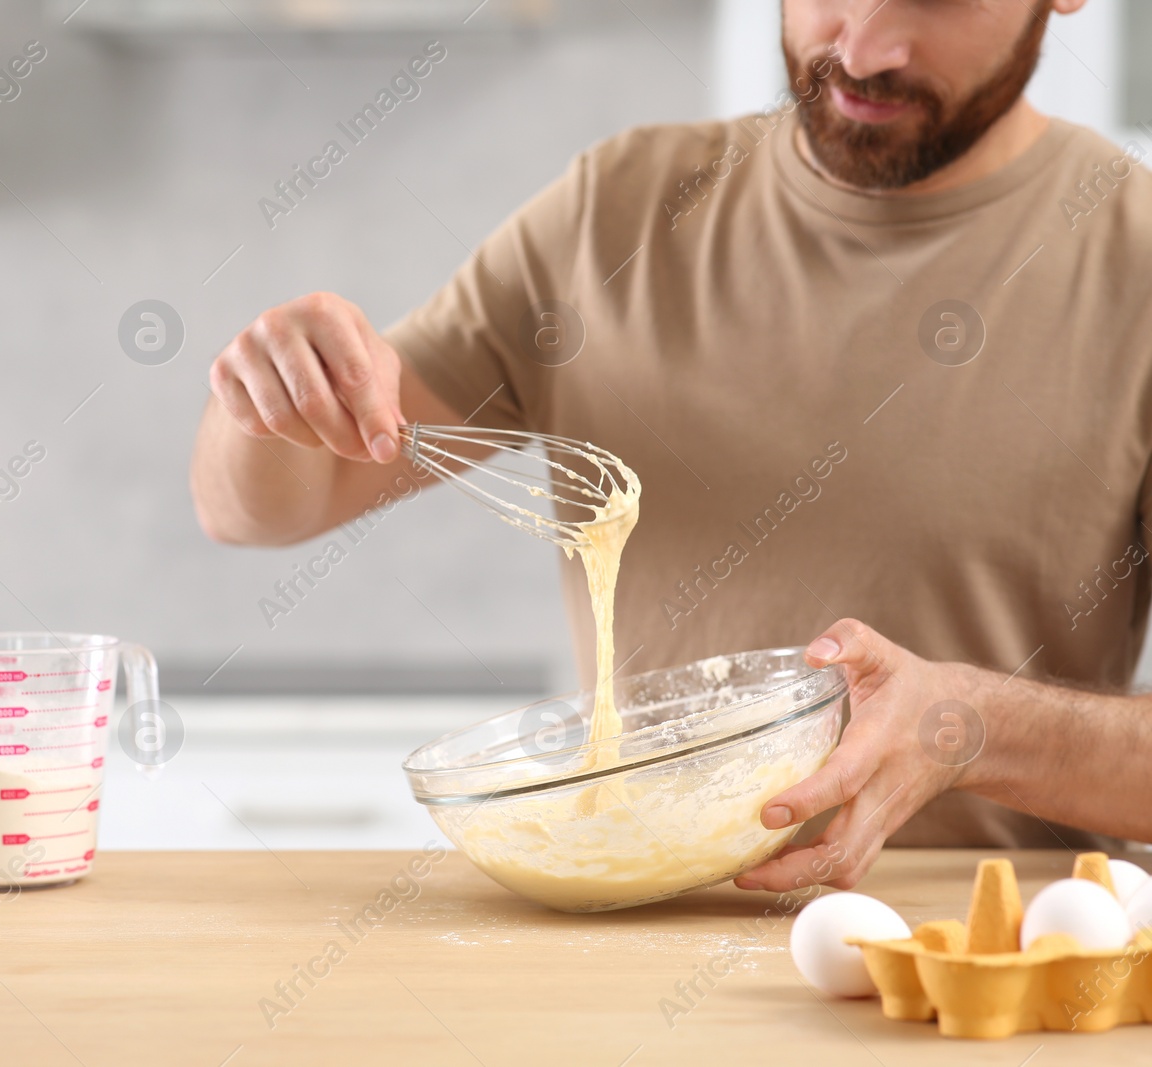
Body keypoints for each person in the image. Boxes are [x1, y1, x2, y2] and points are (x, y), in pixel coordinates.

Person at [190, 0, 1152, 892]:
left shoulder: (1132, 261)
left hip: (996, 966)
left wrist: (976, 728)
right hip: (631, 944)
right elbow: (260, 508)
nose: (862, 49)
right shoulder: (616, 212)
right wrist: (270, 392)